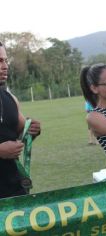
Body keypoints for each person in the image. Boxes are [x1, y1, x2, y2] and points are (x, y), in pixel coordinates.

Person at [0, 41, 41, 199]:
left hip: (14, 190)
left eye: (5, 60)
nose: (5, 66)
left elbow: (21, 131)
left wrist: (32, 130)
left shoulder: (10, 98)